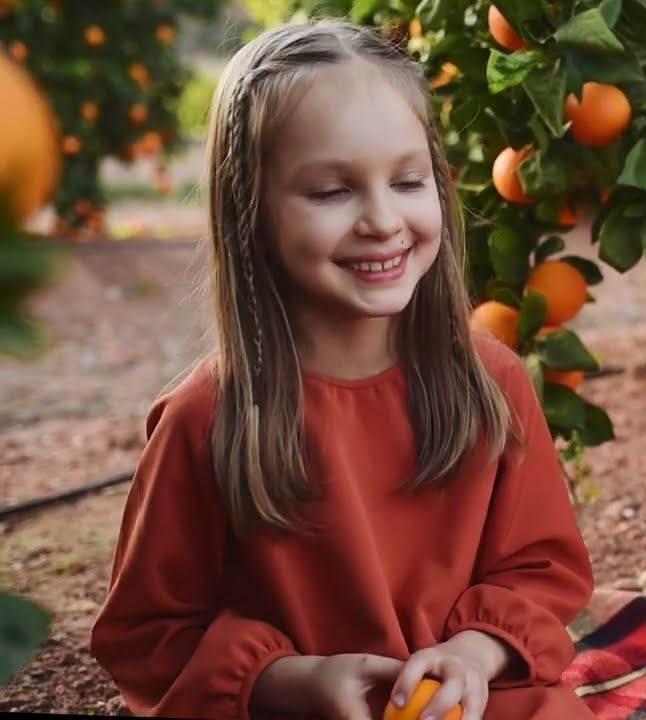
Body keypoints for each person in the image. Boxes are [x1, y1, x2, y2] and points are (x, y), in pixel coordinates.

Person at [89, 19, 595, 720]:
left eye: (409, 181)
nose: (383, 220)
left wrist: (476, 653)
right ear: (251, 212)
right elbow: (145, 637)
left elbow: (541, 569)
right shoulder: (207, 417)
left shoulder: (491, 380)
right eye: (332, 192)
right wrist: (286, 681)